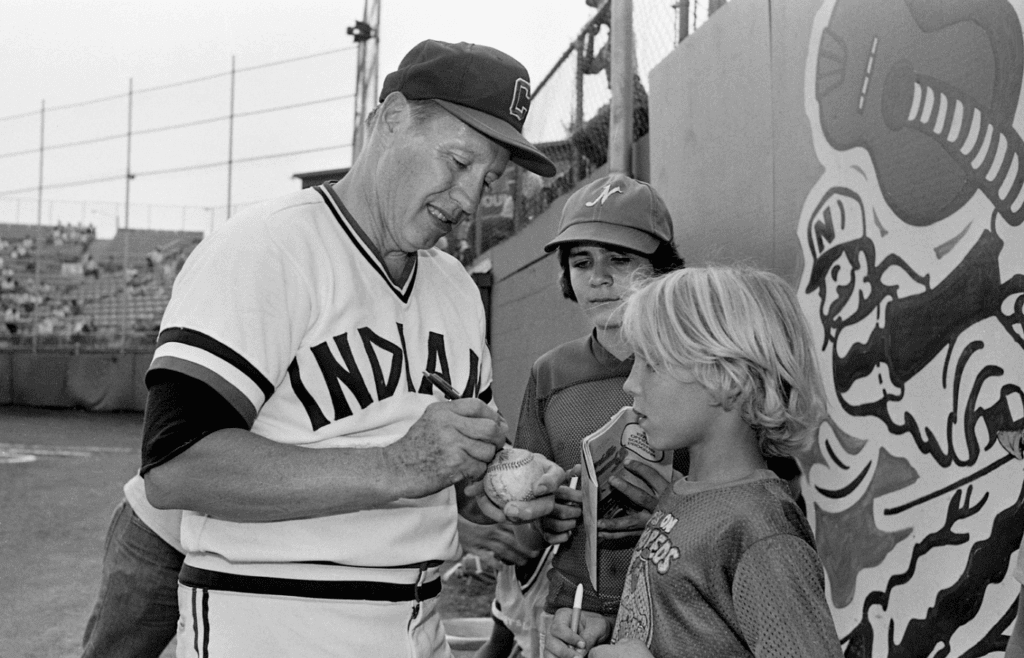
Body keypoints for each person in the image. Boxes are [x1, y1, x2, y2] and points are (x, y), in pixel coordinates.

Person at [122, 39, 565, 658]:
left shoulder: (457, 288)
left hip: (417, 624)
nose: (469, 198)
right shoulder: (266, 248)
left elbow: (453, 469)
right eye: (458, 161)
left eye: (488, 178)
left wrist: (499, 490)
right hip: (274, 621)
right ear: (390, 120)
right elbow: (175, 466)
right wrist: (398, 465)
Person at [544, 265, 843, 657]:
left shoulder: (761, 535)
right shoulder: (686, 493)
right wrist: (615, 632)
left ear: (727, 378)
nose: (630, 383)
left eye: (652, 363)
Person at [477, 174, 686, 658]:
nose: (599, 277)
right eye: (581, 261)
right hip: (571, 616)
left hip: (676, 608)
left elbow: (740, 500)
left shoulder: (694, 365)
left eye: (621, 258)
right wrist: (547, 518)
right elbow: (526, 531)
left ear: (660, 268)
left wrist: (671, 515)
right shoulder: (550, 373)